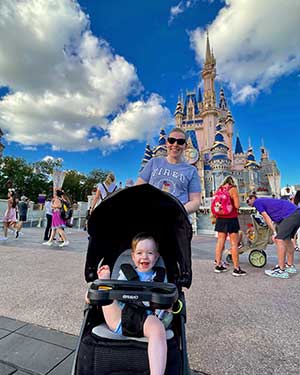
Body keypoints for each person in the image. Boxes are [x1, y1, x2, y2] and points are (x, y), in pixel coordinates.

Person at [97, 233, 171, 375]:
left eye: (150, 253)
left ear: (156, 257)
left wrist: (168, 305)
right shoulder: (126, 273)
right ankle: (103, 283)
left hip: (147, 320)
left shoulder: (160, 276)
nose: (144, 257)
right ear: (133, 257)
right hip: (120, 317)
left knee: (157, 327)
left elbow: (166, 298)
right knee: (104, 294)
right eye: (139, 253)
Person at [136, 127, 201, 215]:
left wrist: (178, 212)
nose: (175, 144)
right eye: (171, 140)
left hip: (176, 221)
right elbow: (138, 189)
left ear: (185, 146)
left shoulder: (191, 170)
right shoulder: (154, 162)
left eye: (180, 142)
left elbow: (195, 201)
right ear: (167, 143)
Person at [246, 194, 300, 278]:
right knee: (287, 239)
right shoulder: (265, 201)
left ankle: (281, 270)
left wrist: (274, 232)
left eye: (248, 200)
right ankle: (290, 265)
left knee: (279, 239)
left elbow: (266, 217)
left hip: (290, 215)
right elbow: (275, 217)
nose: (247, 203)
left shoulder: (257, 202)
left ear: (253, 198)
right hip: (296, 213)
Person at [213, 176, 247, 276]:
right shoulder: (233, 189)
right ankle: (236, 269)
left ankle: (218, 265)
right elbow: (237, 205)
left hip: (220, 218)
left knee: (220, 241)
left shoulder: (219, 189)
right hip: (231, 218)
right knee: (234, 244)